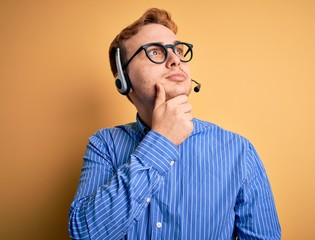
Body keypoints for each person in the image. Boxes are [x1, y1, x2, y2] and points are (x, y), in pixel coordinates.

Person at [68, 8, 281, 240]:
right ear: (123, 79)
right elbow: (85, 235)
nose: (175, 60)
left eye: (178, 50)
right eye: (155, 52)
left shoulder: (239, 151)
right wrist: (162, 140)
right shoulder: (104, 145)